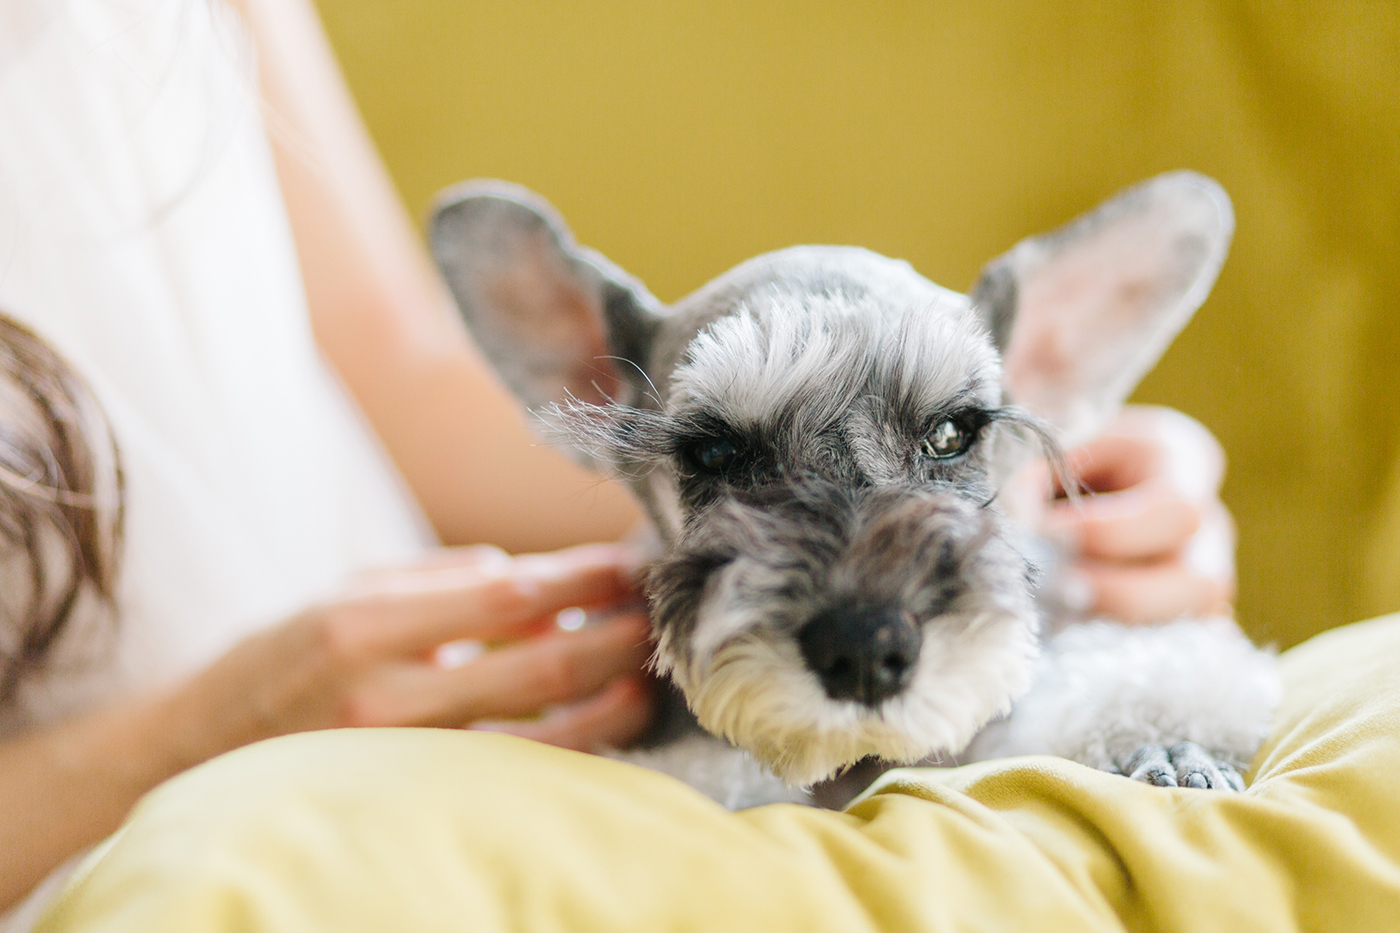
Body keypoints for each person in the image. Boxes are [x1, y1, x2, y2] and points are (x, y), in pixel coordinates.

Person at [0, 0, 1235, 927]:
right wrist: (197, 741)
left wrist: (1058, 473)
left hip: (424, 689)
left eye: (953, 430)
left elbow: (403, 380)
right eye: (722, 456)